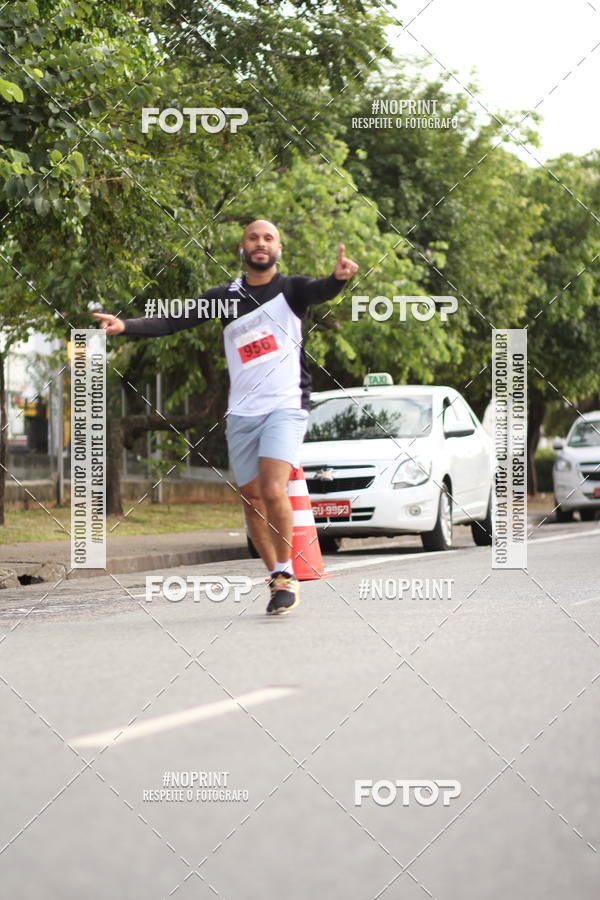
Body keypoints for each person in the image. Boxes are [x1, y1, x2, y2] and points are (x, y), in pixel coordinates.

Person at [94, 219, 359, 615]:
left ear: (279, 248)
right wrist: (125, 325)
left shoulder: (292, 290)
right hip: (242, 412)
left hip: (285, 405)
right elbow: (173, 321)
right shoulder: (225, 297)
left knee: (273, 489)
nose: (261, 243)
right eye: (253, 237)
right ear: (243, 246)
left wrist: (338, 280)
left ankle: (286, 574)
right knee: (251, 499)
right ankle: (275, 576)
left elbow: (322, 289)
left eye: (269, 237)